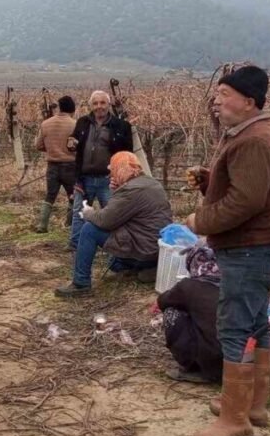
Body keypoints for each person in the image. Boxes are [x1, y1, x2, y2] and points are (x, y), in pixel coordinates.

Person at [184, 66, 270, 436]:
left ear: (248, 101)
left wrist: (202, 219)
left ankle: (234, 419)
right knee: (257, 322)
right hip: (258, 246)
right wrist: (213, 181)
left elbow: (247, 200)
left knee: (233, 328)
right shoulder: (252, 134)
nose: (216, 99)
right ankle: (254, 406)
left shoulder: (255, 140)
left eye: (224, 92)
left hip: (249, 248)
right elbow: (248, 186)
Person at [55, 152, 172, 297]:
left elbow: (105, 221)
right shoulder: (151, 183)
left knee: (89, 229)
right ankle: (146, 269)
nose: (111, 176)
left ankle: (81, 283)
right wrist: (116, 190)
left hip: (143, 250)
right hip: (156, 249)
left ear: (120, 170)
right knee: (114, 263)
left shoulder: (131, 190)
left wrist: (87, 212)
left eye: (113, 171)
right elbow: (121, 213)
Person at [67, 90, 133, 251]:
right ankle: (76, 244)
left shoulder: (121, 126)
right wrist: (70, 143)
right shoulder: (83, 122)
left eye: (102, 103)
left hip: (108, 179)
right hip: (84, 178)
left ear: (108, 105)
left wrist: (120, 175)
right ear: (91, 105)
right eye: (95, 103)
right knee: (79, 212)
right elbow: (73, 141)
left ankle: (114, 245)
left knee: (113, 213)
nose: (99, 107)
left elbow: (127, 153)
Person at [158, 245, 222, 384]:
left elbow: (162, 301)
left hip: (213, 362)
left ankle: (195, 367)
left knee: (172, 312)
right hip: (239, 359)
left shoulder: (189, 286)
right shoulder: (235, 283)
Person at [33, 95, 78, 233]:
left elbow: (38, 145)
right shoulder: (75, 124)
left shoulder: (46, 124)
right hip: (70, 166)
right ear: (72, 109)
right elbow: (78, 146)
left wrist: (52, 149)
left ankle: (42, 225)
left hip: (52, 165)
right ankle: (69, 224)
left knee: (50, 195)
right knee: (73, 196)